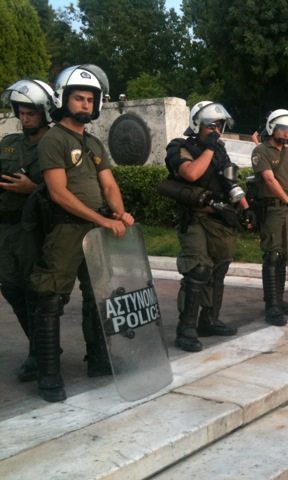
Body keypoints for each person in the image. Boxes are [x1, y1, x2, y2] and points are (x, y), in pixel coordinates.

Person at [29, 65, 135, 402]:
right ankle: (48, 374)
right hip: (65, 229)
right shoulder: (54, 139)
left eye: (90, 99)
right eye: (79, 98)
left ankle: (99, 360)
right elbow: (58, 192)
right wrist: (102, 220)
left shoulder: (94, 143)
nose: (85, 104)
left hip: (96, 229)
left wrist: (118, 213)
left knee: (98, 295)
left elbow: (109, 185)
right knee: (51, 298)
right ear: (63, 99)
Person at [165, 101, 257, 352]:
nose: (216, 131)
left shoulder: (219, 151)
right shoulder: (180, 147)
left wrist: (246, 207)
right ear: (197, 125)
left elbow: (231, 182)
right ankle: (186, 328)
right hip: (196, 219)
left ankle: (209, 320)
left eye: (219, 126)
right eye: (211, 126)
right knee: (198, 270)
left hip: (221, 220)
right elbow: (191, 174)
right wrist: (208, 148)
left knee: (218, 270)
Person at [0, 79, 55, 382]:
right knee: (10, 287)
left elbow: (65, 190)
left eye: (31, 113)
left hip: (34, 228)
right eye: (21, 113)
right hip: (6, 229)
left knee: (35, 291)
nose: (25, 118)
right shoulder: (9, 142)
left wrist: (32, 188)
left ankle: (40, 353)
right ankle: (38, 344)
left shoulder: (55, 144)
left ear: (45, 112)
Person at [251, 109, 288, 326]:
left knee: (284, 256)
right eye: (283, 129)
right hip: (273, 209)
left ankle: (278, 299)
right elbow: (269, 180)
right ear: (272, 127)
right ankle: (272, 306)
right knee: (272, 255)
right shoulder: (261, 150)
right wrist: (287, 201)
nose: (287, 133)